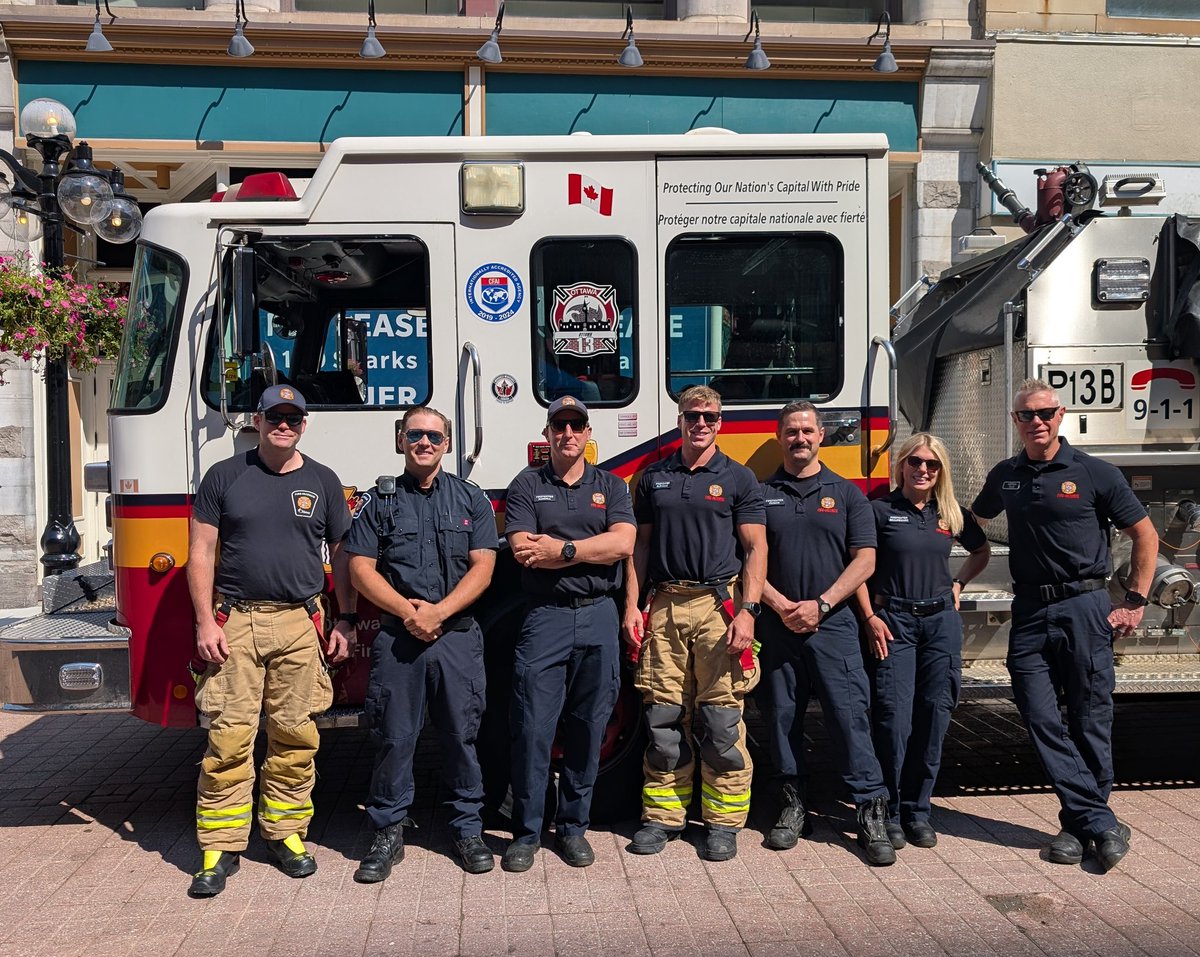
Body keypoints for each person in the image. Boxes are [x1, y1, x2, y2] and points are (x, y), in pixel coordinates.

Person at [971, 378, 1158, 872]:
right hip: (1030, 610)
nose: (1036, 421)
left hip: (1085, 606)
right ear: (1015, 421)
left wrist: (1135, 600)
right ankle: (1102, 823)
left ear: (1060, 415)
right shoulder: (1005, 475)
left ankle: (1077, 827)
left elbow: (1145, 535)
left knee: (1089, 717)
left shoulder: (1095, 473)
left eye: (1044, 413)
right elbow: (970, 523)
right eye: (1026, 415)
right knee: (1039, 716)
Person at [187, 384, 354, 897]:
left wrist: (346, 619)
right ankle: (219, 848)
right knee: (228, 737)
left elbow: (342, 554)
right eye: (274, 417)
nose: (284, 425)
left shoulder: (323, 480)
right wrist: (204, 622)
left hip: (301, 623)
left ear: (304, 424)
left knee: (295, 736)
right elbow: (200, 552)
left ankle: (285, 834)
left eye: (293, 418)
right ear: (256, 421)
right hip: (235, 621)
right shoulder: (224, 476)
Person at [345, 407, 498, 881]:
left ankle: (467, 829)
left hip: (456, 636)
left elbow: (484, 567)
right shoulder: (378, 501)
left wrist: (439, 612)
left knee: (461, 736)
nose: (424, 442)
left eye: (434, 435)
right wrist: (409, 612)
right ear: (401, 440)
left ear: (447, 443)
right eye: (415, 434)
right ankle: (387, 832)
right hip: (400, 638)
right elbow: (359, 568)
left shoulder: (471, 498)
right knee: (394, 738)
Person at [622, 385, 766, 863]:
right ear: (679, 420)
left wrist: (748, 611)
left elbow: (756, 548)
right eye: (692, 416)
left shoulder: (739, 478)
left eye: (709, 416)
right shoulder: (653, 477)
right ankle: (663, 817)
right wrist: (632, 606)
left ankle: (723, 823)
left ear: (720, 422)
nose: (700, 423)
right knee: (662, 718)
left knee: (722, 721)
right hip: (665, 604)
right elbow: (640, 547)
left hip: (717, 606)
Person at [755, 401, 894, 866]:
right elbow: (747, 558)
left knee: (849, 716)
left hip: (833, 627)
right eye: (791, 431)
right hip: (778, 626)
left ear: (821, 436)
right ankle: (792, 808)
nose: (800, 438)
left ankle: (870, 812)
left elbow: (865, 561)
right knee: (781, 719)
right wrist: (780, 605)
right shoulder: (761, 493)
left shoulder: (848, 493)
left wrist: (823, 604)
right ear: (779, 437)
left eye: (807, 430)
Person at [501, 396, 637, 872]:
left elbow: (623, 543)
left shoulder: (611, 485)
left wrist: (562, 549)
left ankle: (574, 828)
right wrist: (590, 550)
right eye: (559, 425)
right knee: (532, 728)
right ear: (547, 433)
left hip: (599, 614)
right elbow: (523, 549)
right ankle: (527, 833)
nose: (568, 433)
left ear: (587, 432)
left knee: (589, 727)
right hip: (546, 617)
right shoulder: (527, 485)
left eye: (576, 425)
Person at [855, 433, 990, 850]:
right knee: (894, 719)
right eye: (915, 461)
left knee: (934, 716)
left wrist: (958, 583)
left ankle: (918, 812)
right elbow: (858, 568)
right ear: (901, 465)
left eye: (932, 464)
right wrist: (870, 616)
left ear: (941, 471)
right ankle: (891, 812)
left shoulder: (951, 513)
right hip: (893, 622)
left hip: (940, 623)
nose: (923, 470)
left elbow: (981, 553)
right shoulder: (879, 510)